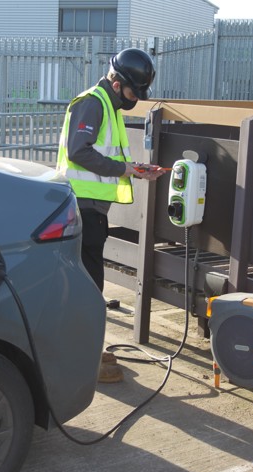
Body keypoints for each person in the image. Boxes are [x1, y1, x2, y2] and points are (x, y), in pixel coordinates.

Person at [57, 48, 165, 382]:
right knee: (88, 287)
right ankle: (82, 358)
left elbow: (104, 154)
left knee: (87, 285)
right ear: (117, 83)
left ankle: (83, 350)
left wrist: (133, 170)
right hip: (82, 208)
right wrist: (124, 168)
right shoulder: (94, 103)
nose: (135, 98)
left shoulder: (109, 106)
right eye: (133, 91)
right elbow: (79, 150)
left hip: (91, 210)